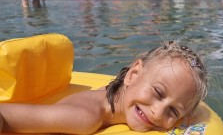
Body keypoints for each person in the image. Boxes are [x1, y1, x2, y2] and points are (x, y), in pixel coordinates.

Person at [0, 41, 208, 134]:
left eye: (173, 110)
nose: (157, 112)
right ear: (133, 74)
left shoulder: (112, 93)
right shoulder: (84, 117)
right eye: (158, 92)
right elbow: (4, 116)